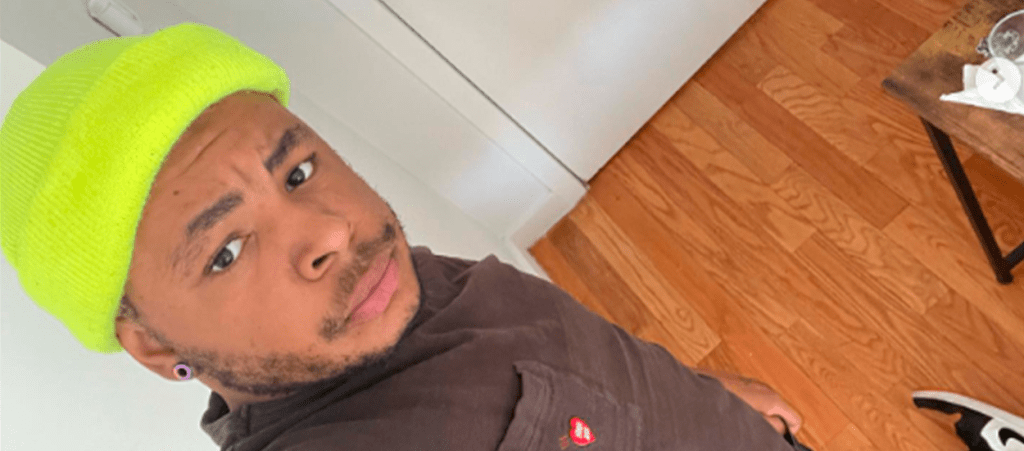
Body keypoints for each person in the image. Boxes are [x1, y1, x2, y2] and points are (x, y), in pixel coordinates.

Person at [0, 22, 809, 450]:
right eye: (226, 250)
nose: (328, 229)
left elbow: (565, 357)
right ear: (152, 344)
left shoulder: (375, 292)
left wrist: (698, 394)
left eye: (297, 171)